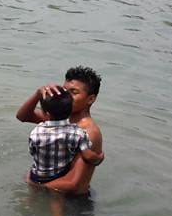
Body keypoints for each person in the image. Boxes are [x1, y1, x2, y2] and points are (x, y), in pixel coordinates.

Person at [16, 66, 105, 195]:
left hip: (73, 203)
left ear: (90, 99)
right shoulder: (59, 118)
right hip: (50, 192)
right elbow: (23, 116)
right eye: (65, 91)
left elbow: (73, 184)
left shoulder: (89, 132)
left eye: (74, 93)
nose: (66, 97)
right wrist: (38, 94)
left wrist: (33, 181)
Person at [24, 88, 103, 184]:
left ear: (47, 114)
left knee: (31, 197)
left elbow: (32, 151)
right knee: (57, 198)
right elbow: (88, 156)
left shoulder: (36, 131)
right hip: (59, 177)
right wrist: (99, 157)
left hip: (36, 176)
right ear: (70, 111)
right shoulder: (77, 132)